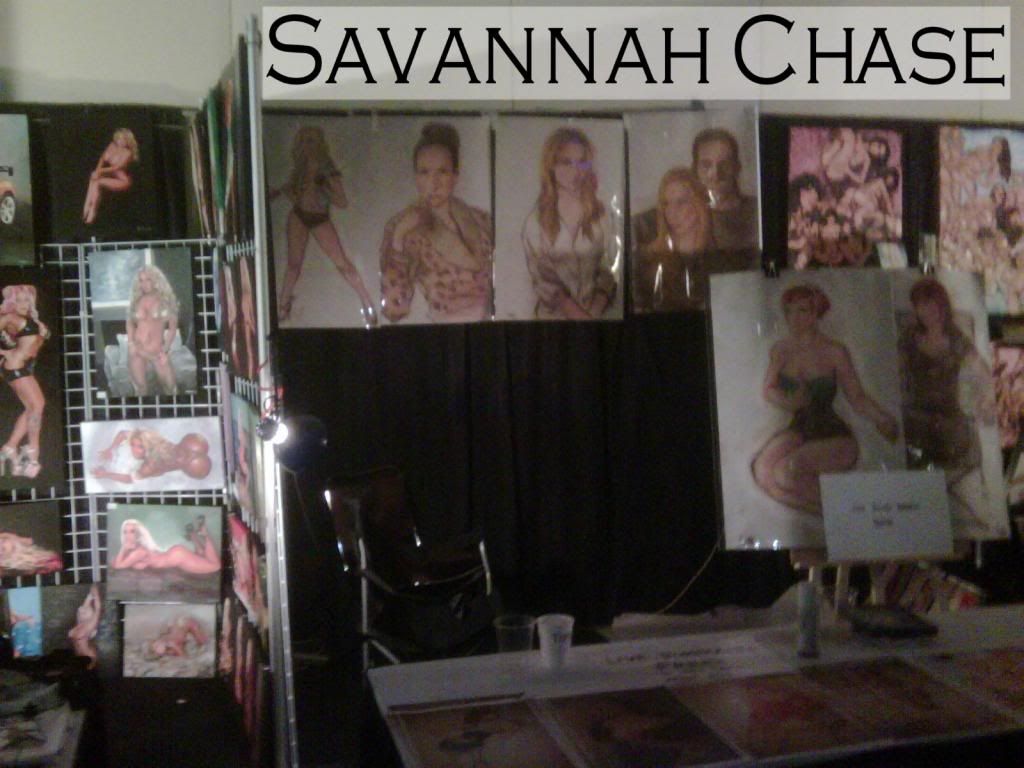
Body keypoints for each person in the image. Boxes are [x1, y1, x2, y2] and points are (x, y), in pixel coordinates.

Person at [752, 284, 899, 513]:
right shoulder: (780, 350)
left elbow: (857, 397)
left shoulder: (834, 351)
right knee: (762, 471)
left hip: (833, 434)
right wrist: (791, 401)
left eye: (802, 310)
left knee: (786, 471)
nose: (794, 318)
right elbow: (768, 390)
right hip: (799, 428)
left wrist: (882, 419)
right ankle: (828, 513)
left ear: (815, 315)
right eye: (789, 311)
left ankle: (845, 511)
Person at [899, 278, 996, 528]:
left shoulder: (956, 339)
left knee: (956, 452)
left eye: (932, 305)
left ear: (942, 306)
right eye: (921, 306)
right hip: (916, 419)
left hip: (949, 418)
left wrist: (986, 400)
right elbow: (892, 372)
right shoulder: (910, 338)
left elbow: (984, 374)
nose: (927, 312)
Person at [380, 123, 493, 323]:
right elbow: (393, 310)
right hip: (443, 330)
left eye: (442, 172)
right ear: (415, 176)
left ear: (455, 176)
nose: (434, 183)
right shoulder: (403, 226)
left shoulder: (481, 220)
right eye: (424, 172)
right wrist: (398, 239)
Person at [271, 126, 376, 326]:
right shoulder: (300, 170)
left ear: (320, 144)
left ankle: (367, 302)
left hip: (319, 218)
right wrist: (284, 192)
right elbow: (296, 196)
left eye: (311, 141)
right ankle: (282, 308)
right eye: (304, 141)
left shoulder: (328, 170)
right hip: (299, 216)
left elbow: (342, 202)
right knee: (293, 265)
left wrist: (325, 187)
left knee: (342, 263)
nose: (307, 146)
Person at [522, 126, 617, 319]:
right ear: (551, 166)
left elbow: (610, 270)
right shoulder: (535, 222)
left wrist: (594, 313)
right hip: (552, 324)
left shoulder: (602, 215)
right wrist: (584, 320)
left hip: (597, 317)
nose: (576, 172)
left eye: (582, 163)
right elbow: (547, 285)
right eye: (566, 162)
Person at [633, 127, 760, 258]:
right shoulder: (666, 215)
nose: (715, 174)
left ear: (737, 167)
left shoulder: (758, 212)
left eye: (724, 164)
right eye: (706, 165)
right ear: (694, 169)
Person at [633, 167, 713, 312]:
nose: (672, 213)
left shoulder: (718, 251)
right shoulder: (648, 257)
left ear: (699, 204)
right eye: (666, 204)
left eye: (681, 202)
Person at [0, 285, 50, 479]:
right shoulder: (11, 318)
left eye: (27, 300)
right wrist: (5, 353)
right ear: (11, 303)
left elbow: (33, 347)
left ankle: (10, 447)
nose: (24, 304)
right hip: (16, 367)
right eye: (19, 300)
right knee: (38, 406)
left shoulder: (28, 319)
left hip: (22, 368)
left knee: (32, 408)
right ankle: (32, 453)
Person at [126, 265, 180, 396]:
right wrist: (131, 343)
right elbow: (130, 323)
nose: (144, 284)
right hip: (138, 350)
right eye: (141, 280)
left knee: (171, 388)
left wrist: (165, 350)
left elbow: (172, 329)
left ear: (156, 280)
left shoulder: (166, 300)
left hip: (157, 351)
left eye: (148, 279)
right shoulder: (135, 301)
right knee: (141, 389)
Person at [91, 427, 213, 485]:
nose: (181, 456)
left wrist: (105, 474)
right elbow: (123, 434)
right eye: (184, 452)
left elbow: (129, 479)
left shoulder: (150, 466)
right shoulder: (154, 442)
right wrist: (110, 449)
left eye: (185, 458)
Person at [109, 515, 221, 574]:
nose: (128, 535)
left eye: (132, 531)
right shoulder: (139, 547)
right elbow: (116, 562)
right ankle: (192, 535)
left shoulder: (139, 551)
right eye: (125, 532)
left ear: (138, 533)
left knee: (215, 566)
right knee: (201, 554)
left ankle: (204, 533)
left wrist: (123, 548)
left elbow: (118, 566)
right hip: (175, 554)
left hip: (178, 556)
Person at [82, 128, 139, 225]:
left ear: (128, 141)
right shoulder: (112, 145)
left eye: (123, 139)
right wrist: (97, 171)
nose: (120, 141)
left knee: (97, 182)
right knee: (93, 179)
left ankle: (92, 211)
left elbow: (117, 167)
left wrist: (99, 171)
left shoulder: (128, 153)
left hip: (123, 180)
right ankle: (87, 206)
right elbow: (102, 159)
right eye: (119, 138)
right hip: (111, 175)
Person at [67, 585, 102, 668]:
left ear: (89, 616)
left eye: (84, 612)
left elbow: (98, 609)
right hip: (77, 660)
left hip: (85, 657)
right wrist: (90, 595)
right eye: (80, 612)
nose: (81, 612)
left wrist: (96, 595)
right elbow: (83, 608)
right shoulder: (79, 624)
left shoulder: (89, 625)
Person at [144, 615, 209, 659]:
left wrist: (178, 651)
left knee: (203, 642)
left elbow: (184, 656)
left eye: (157, 646)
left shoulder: (171, 644)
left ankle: (204, 641)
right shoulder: (165, 645)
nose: (158, 650)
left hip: (186, 623)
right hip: (179, 624)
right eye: (155, 650)